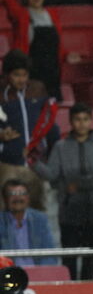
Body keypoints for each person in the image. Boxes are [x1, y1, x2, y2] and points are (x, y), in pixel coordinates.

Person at [31, 103, 93, 280]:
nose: (81, 123)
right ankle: (69, 290)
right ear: (71, 121)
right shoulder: (60, 147)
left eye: (85, 119)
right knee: (69, 256)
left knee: (91, 258)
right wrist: (35, 163)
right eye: (77, 119)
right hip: (69, 210)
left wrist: (77, 185)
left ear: (91, 121)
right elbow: (52, 174)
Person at [1, 0, 78, 101]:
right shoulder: (21, 15)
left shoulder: (52, 14)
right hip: (31, 74)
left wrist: (67, 55)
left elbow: (56, 44)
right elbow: (9, 2)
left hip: (53, 73)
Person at [0, 50, 60, 210]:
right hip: (8, 166)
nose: (22, 79)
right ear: (6, 75)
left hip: (36, 167)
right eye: (16, 75)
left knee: (37, 214)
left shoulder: (38, 90)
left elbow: (50, 125)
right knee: (7, 218)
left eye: (25, 75)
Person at [0, 179, 58, 266]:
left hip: (38, 273)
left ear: (28, 198)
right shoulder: (1, 221)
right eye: (12, 194)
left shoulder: (40, 219)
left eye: (22, 194)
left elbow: (50, 254)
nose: (18, 198)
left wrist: (42, 273)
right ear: (5, 199)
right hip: (10, 274)